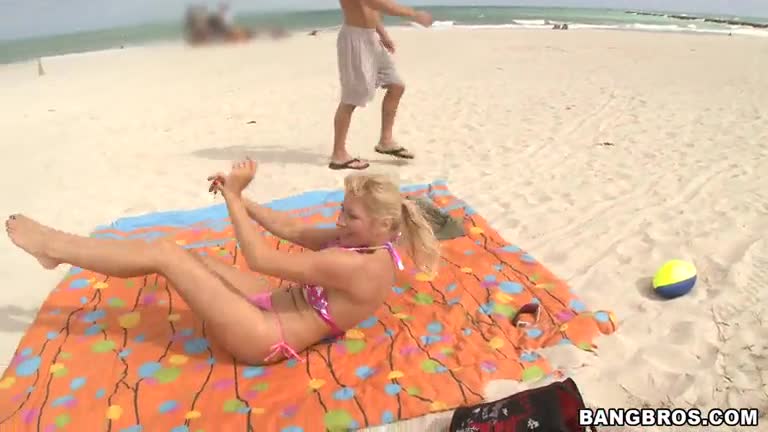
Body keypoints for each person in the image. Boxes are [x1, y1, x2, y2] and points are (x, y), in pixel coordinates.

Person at [5, 159, 440, 365]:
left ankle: (55, 247)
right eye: (342, 211)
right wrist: (244, 199)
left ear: (384, 225)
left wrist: (232, 197)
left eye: (350, 216)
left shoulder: (357, 266)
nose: (340, 221)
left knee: (165, 254)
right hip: (272, 304)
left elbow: (259, 257)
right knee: (190, 257)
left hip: (264, 337)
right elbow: (291, 228)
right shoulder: (365, 242)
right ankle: (55, 250)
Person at [329, 0, 434, 170]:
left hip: (371, 37)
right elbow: (375, 2)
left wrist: (382, 34)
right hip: (355, 40)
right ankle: (338, 154)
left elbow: (371, 9)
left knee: (396, 85)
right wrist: (414, 14)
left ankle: (386, 141)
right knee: (351, 99)